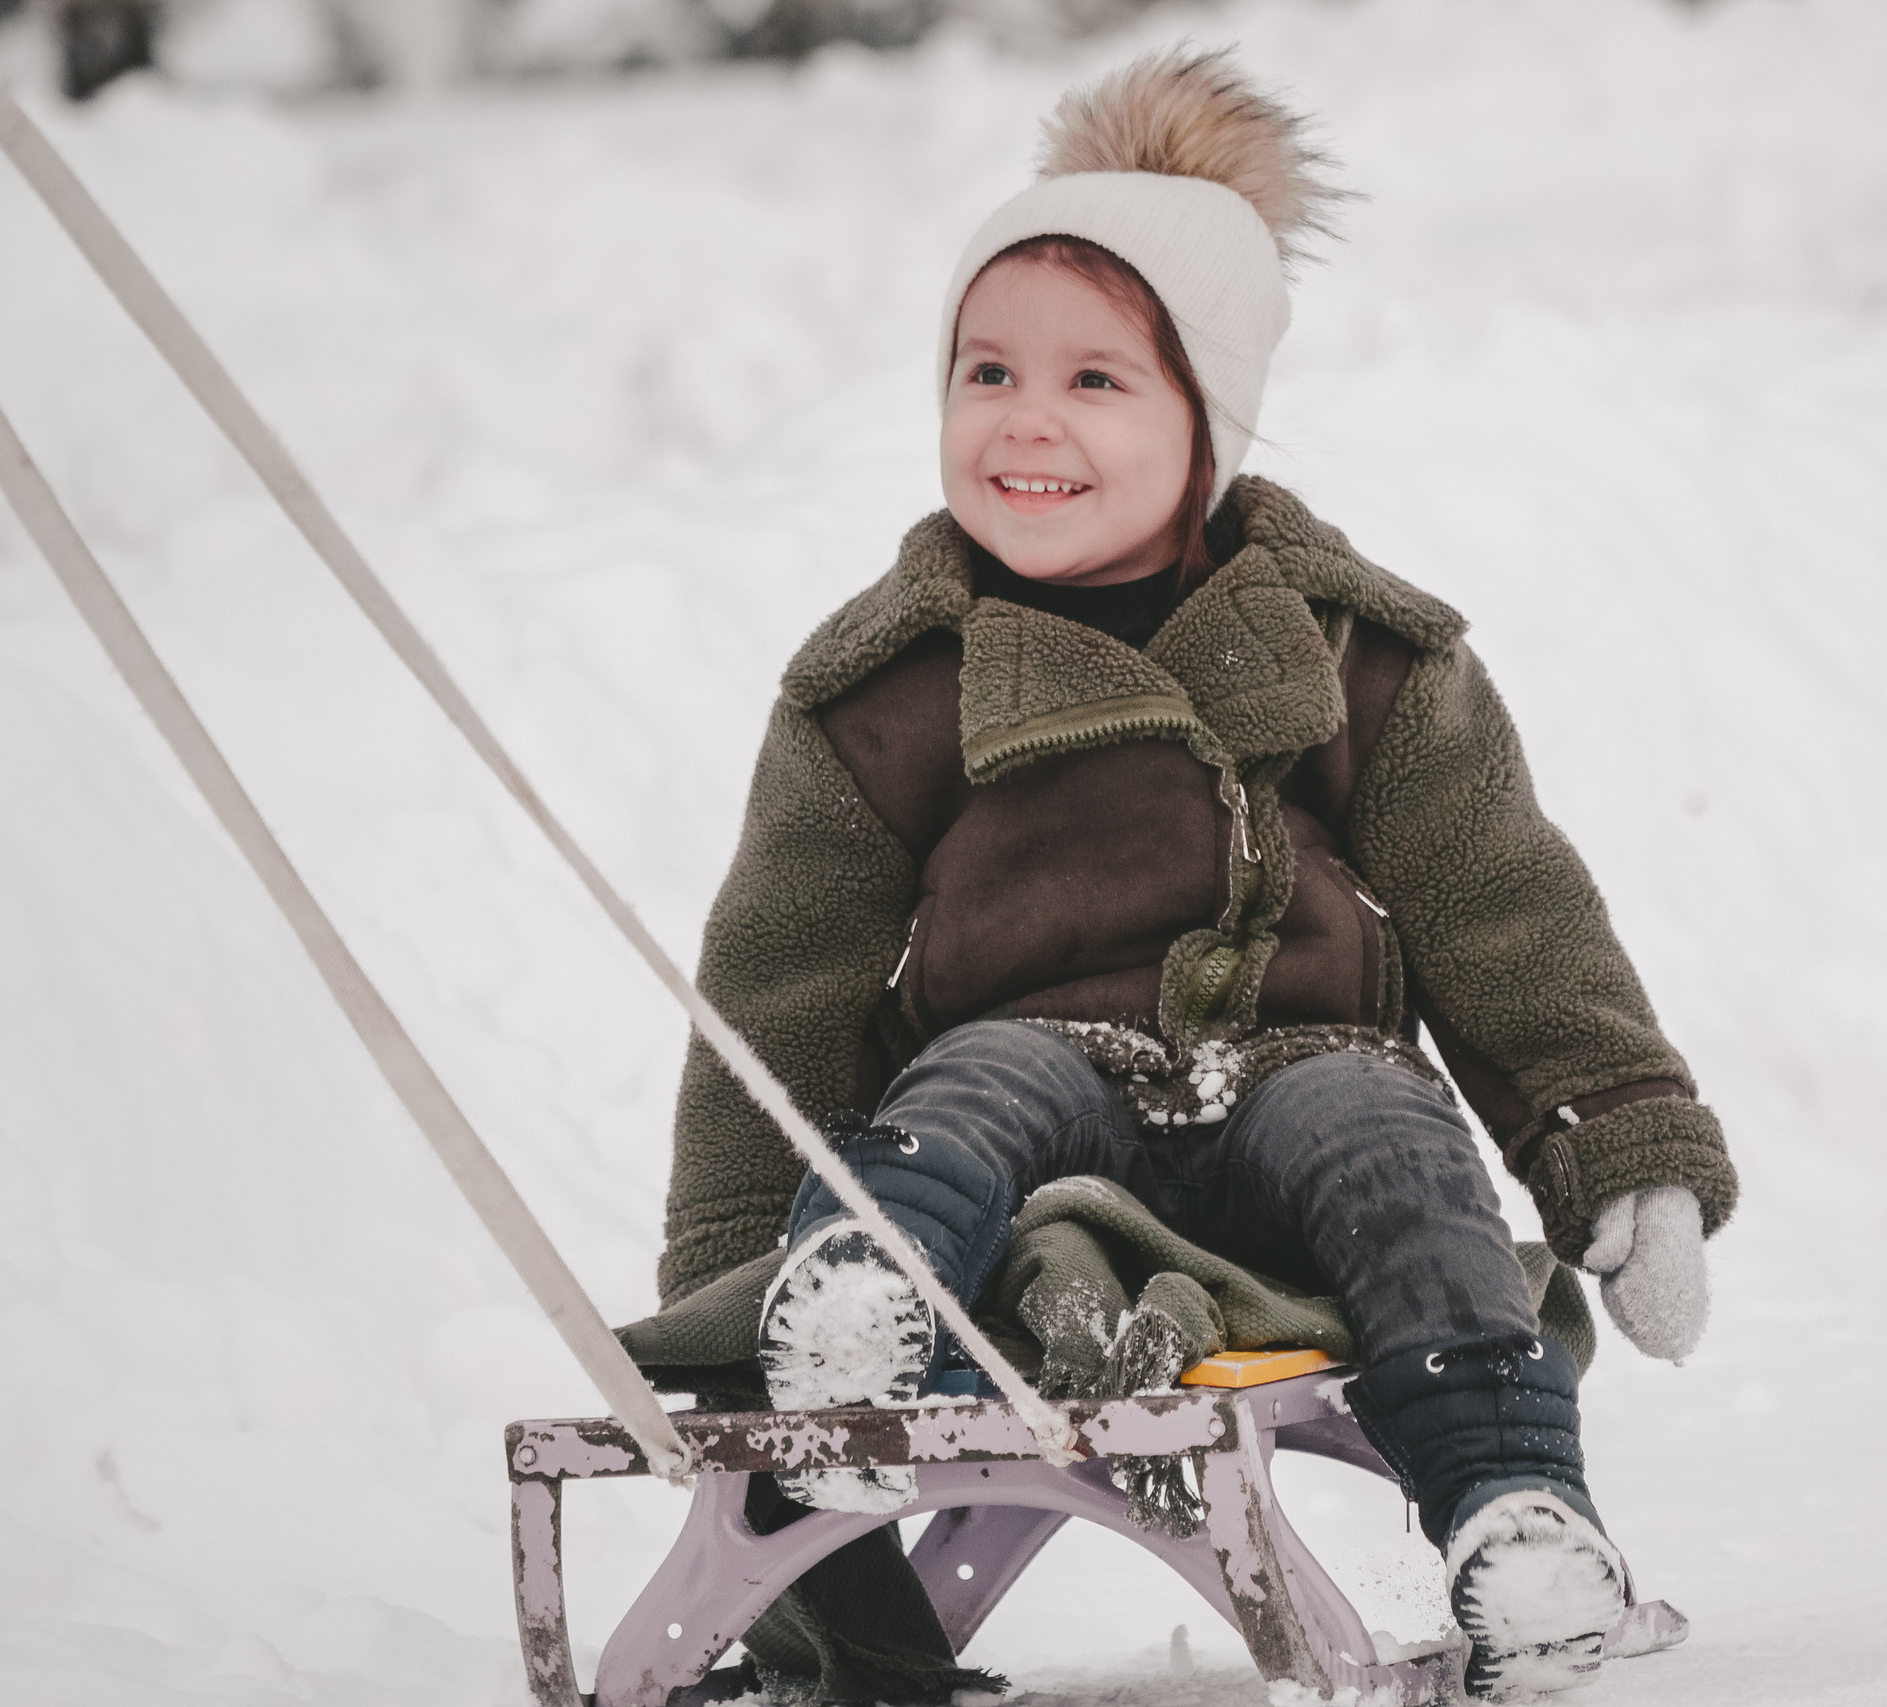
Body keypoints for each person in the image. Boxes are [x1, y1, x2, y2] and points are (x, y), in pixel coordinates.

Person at [656, 46, 1738, 1700]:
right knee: (964, 1100)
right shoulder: (885, 686)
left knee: (1396, 1148)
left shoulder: (1360, 649)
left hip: (1307, 1071)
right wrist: (733, 1259)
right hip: (1033, 1104)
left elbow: (1499, 906)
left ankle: (1515, 1506)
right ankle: (855, 1316)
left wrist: (1617, 1142)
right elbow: (780, 979)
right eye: (985, 371)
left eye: (1098, 382)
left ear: (1208, 423)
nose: (1027, 420)